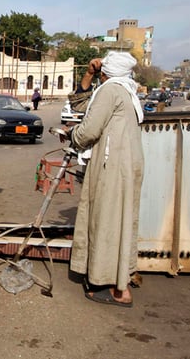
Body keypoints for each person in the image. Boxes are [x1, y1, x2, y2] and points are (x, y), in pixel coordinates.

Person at [64, 51, 144, 308]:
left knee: (108, 222)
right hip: (123, 163)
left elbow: (89, 130)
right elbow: (80, 104)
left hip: (113, 167)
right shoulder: (122, 90)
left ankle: (116, 289)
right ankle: (119, 278)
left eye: (100, 71)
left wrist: (71, 134)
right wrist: (88, 74)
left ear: (106, 72)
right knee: (116, 220)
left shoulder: (110, 92)